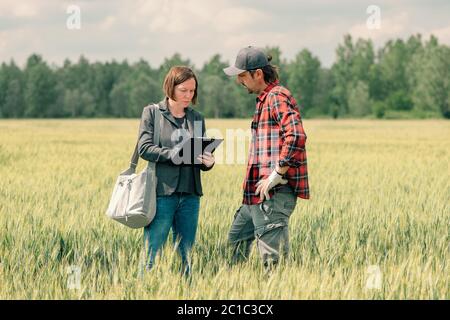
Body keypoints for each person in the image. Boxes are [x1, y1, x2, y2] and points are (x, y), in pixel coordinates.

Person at [223, 46, 309, 270]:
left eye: (242, 76)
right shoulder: (264, 99)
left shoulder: (277, 96)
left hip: (273, 195)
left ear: (258, 74)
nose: (239, 81)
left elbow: (297, 135)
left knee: (273, 262)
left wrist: (276, 174)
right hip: (255, 196)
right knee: (235, 244)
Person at [137, 66, 215, 275]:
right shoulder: (152, 113)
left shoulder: (197, 118)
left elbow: (198, 153)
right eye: (184, 90)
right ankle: (143, 291)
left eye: (192, 91)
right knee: (152, 254)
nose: (189, 95)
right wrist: (172, 154)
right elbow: (143, 148)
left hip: (190, 195)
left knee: (186, 257)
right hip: (162, 194)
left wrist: (208, 162)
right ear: (170, 87)